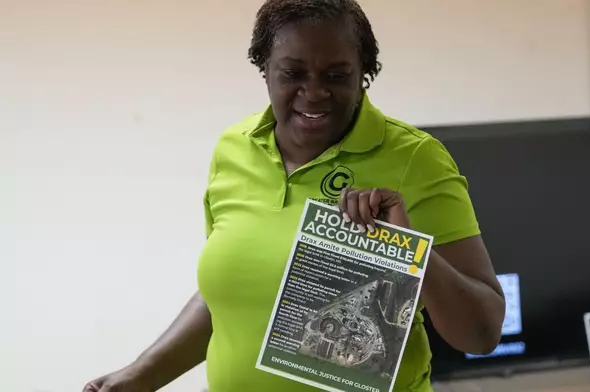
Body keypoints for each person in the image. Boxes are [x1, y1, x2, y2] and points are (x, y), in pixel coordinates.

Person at [82, 0, 506, 391]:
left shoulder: (416, 160)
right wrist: (137, 377)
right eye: (293, 73)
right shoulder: (234, 149)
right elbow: (227, 299)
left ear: (365, 73)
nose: (315, 91)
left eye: (337, 75)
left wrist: (408, 250)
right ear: (264, 68)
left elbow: (482, 333)